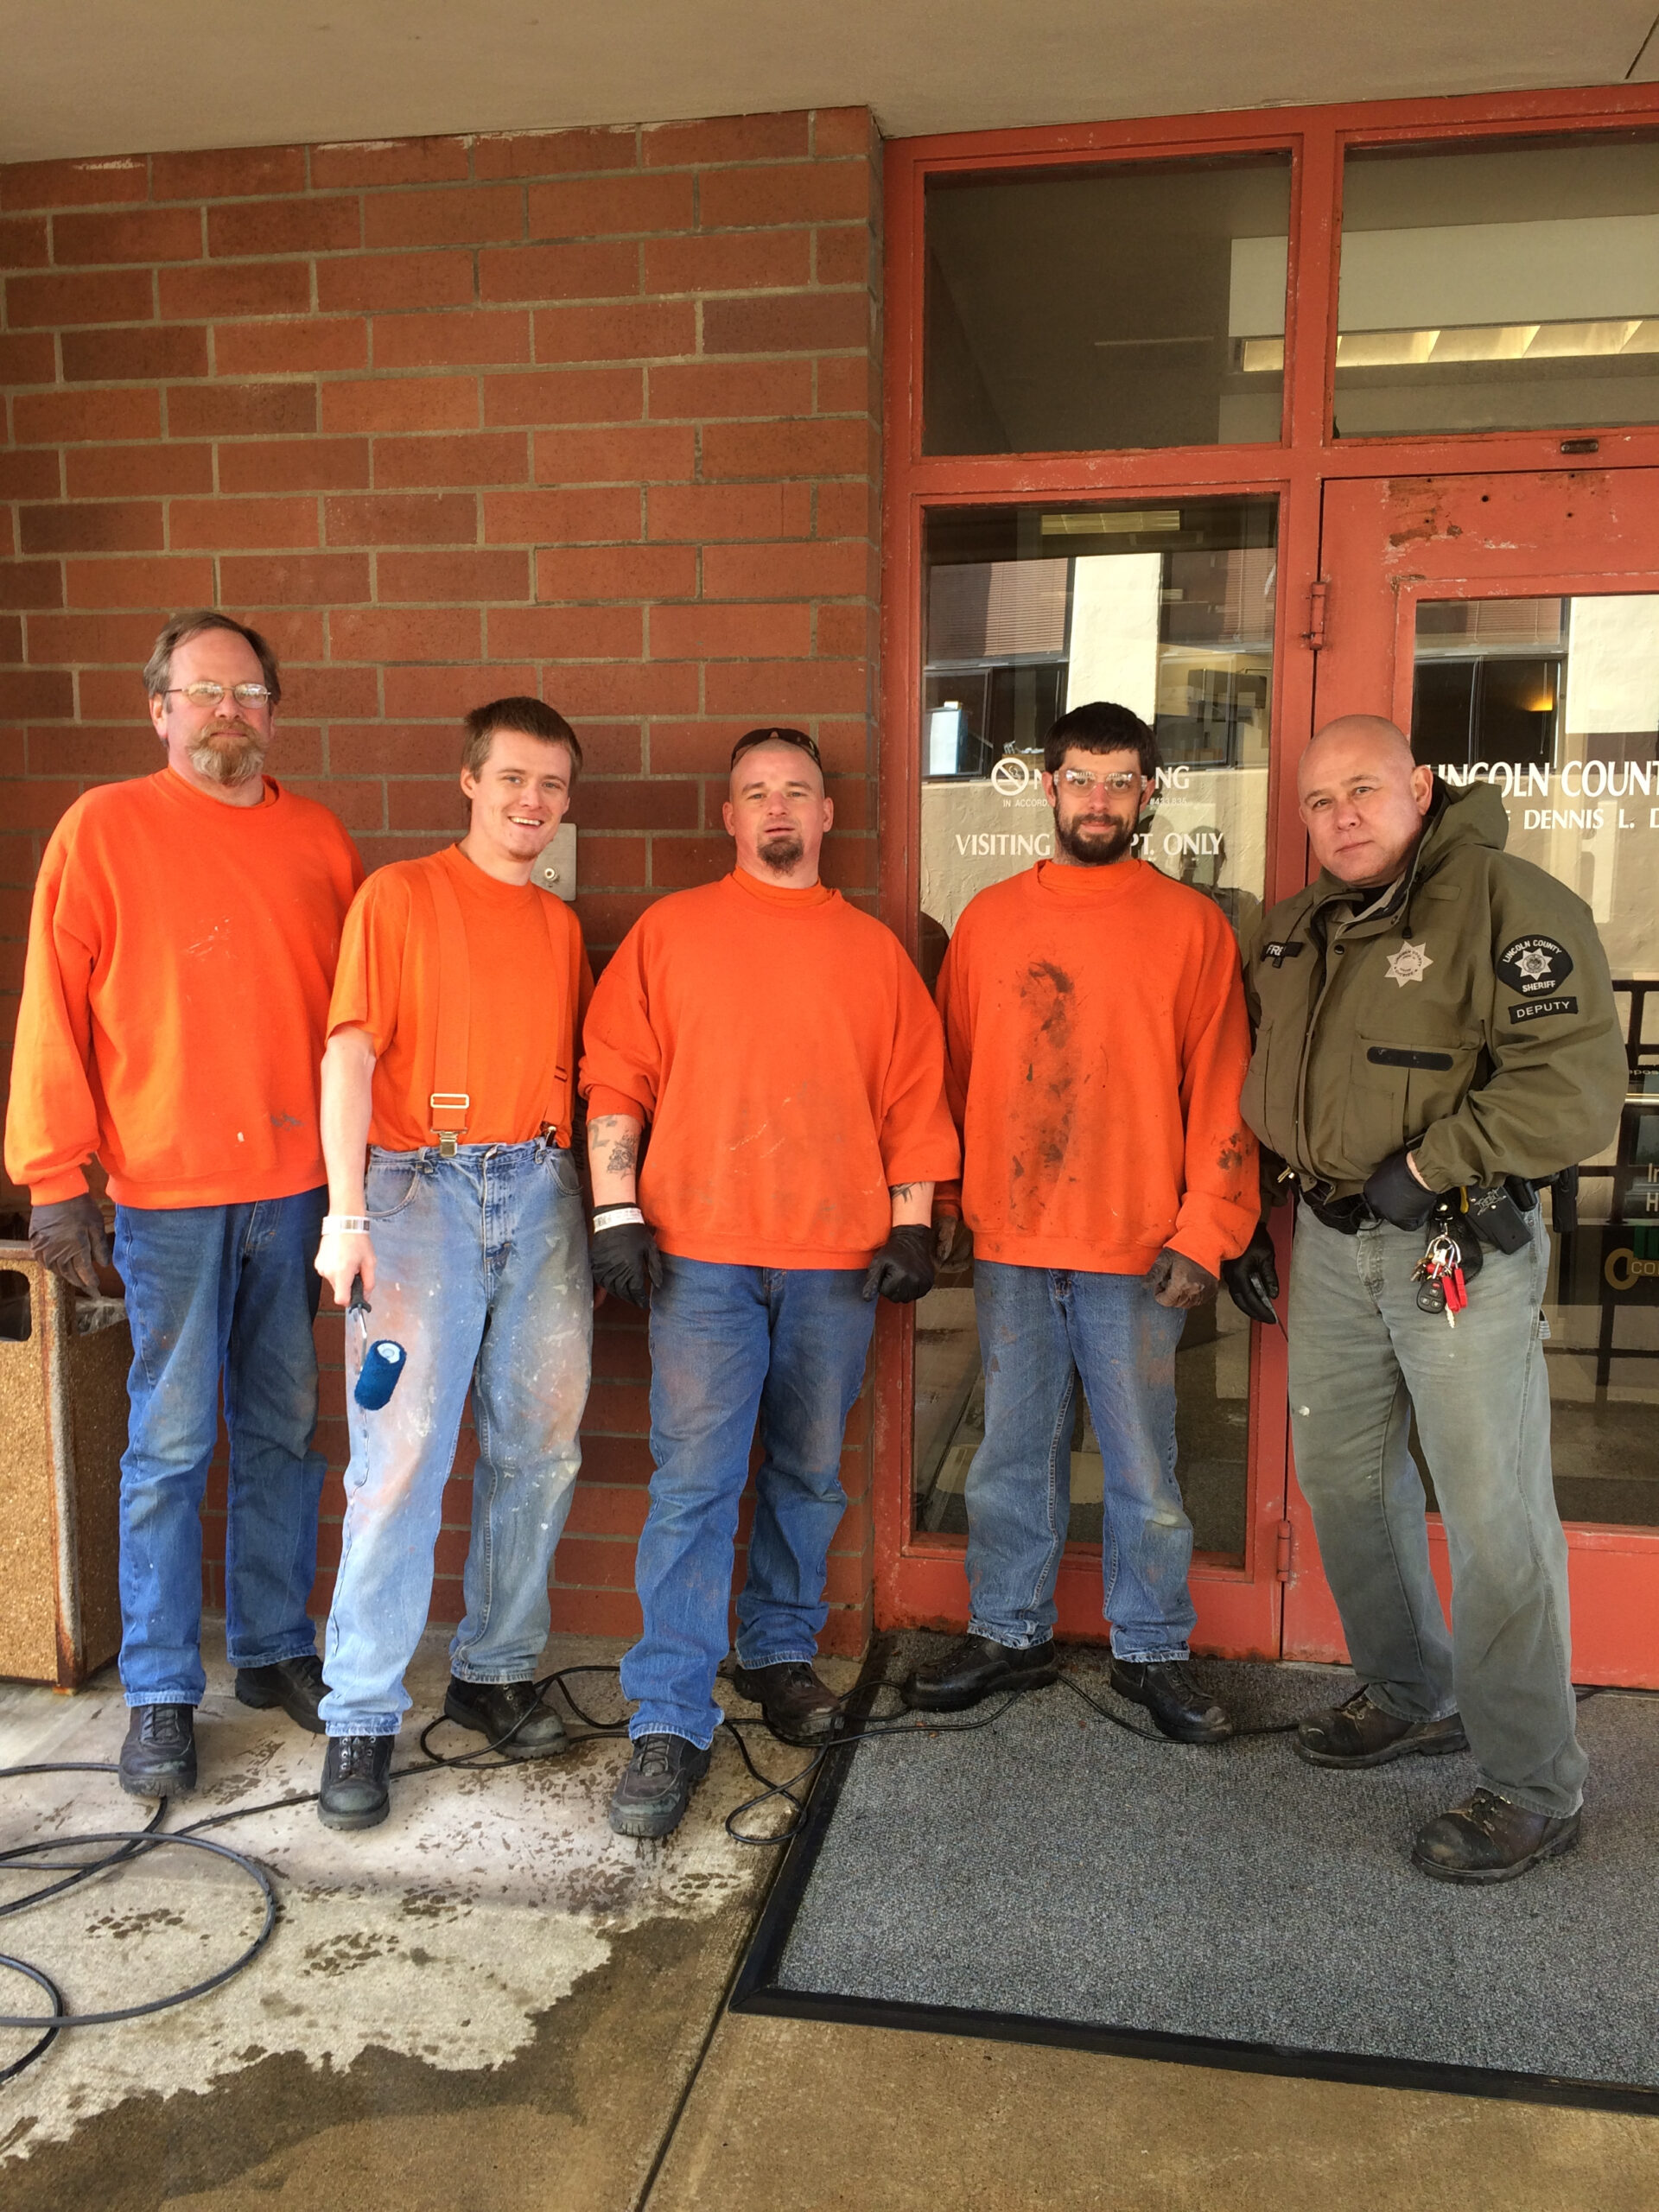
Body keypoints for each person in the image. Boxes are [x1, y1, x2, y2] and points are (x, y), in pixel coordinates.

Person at [1224, 714, 1625, 1882]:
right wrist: (1253, 1203)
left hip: (1454, 1248)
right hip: (1331, 1242)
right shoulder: (1296, 930)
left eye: (1363, 790)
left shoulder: (1509, 904)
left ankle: (1535, 1783)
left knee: (1494, 1514)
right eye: (1317, 801)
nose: (1339, 815)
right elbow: (1265, 1083)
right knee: (1345, 1482)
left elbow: (1572, 1090)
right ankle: (1411, 1688)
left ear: (1420, 787)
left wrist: (1431, 1167)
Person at [4, 612, 363, 1797]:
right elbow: (53, 1010)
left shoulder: (318, 840)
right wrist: (58, 1186)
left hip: (297, 1193)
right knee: (166, 1449)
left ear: (275, 710)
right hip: (162, 1200)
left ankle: (272, 1650)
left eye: (248, 695)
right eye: (203, 694)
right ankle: (161, 1692)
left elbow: (354, 1030)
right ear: (158, 707)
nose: (227, 716)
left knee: (282, 1433)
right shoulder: (103, 830)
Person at [580, 726, 960, 1840]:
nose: (778, 809)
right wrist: (615, 1211)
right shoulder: (670, 933)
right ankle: (669, 1711)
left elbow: (914, 1098)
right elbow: (617, 1075)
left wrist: (913, 1224)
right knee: (695, 1483)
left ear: (827, 815)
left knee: (806, 1473)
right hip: (698, 1256)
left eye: (797, 791)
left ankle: (780, 1655)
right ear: (729, 818)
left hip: (834, 1261)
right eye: (756, 794)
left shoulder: (875, 953)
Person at [900, 701, 1258, 1739]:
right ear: (1047, 787)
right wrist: (955, 1203)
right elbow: (953, 1072)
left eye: (1120, 781)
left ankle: (1152, 1647)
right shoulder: (989, 919)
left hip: (1141, 1245)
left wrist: (1208, 1227)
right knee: (1010, 1454)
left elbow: (1224, 1089)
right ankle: (1009, 1630)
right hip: (1015, 1239)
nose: (1098, 800)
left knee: (1146, 1466)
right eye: (1080, 778)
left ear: (1149, 793)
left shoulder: (1193, 927)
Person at [308, 698, 594, 1832]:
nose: (534, 802)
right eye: (515, 779)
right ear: (470, 782)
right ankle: (362, 1714)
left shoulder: (560, 927)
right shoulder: (400, 896)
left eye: (554, 787)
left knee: (541, 1442)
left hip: (538, 1188)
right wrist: (345, 1216)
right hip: (414, 1192)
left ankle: (494, 1672)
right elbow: (347, 1056)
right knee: (398, 1457)